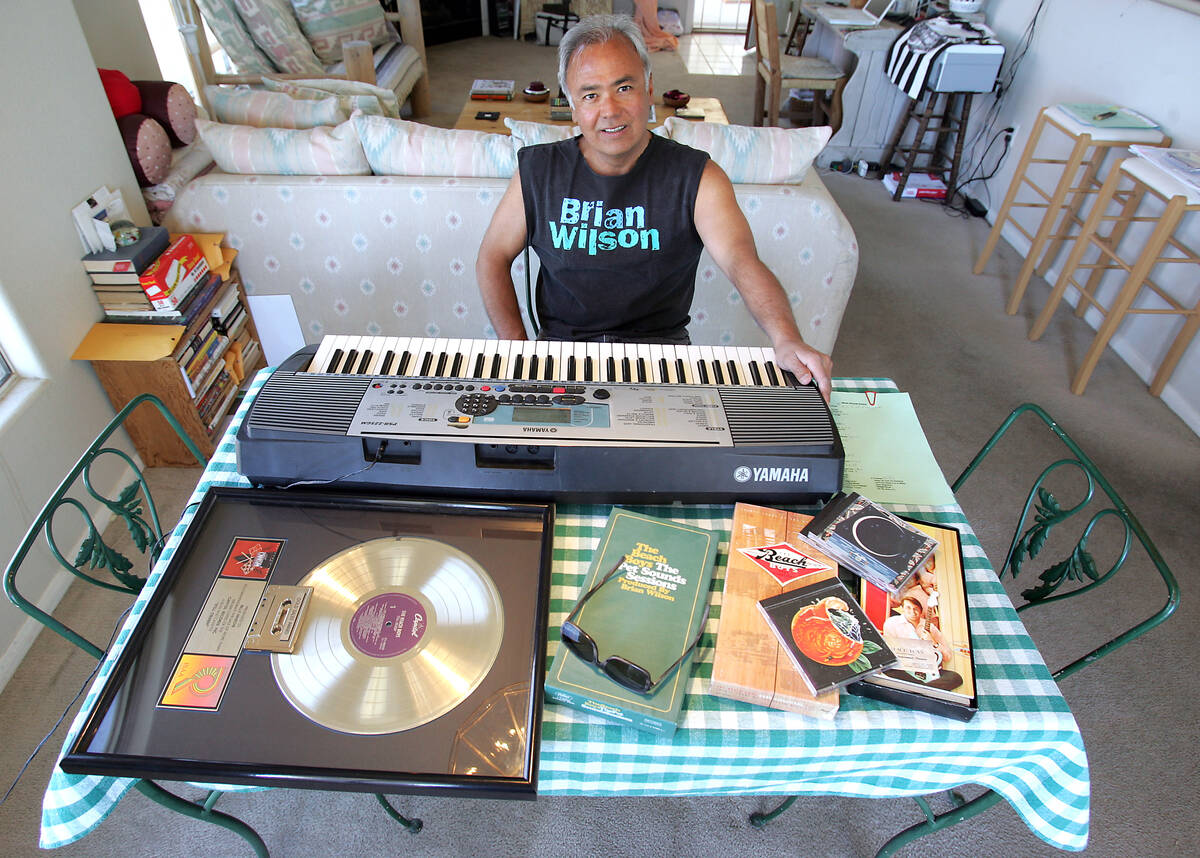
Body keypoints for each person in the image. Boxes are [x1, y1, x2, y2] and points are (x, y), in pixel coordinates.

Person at [475, 14, 833, 399]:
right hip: (561, 350)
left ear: (648, 88)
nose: (609, 110)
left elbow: (742, 262)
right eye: (590, 95)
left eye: (624, 87)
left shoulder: (698, 176)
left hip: (661, 355)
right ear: (572, 105)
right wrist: (518, 350)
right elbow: (492, 257)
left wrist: (787, 338)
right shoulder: (538, 171)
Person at [881, 595, 963, 691]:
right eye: (908, 608)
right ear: (902, 608)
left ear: (921, 610)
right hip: (905, 668)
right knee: (889, 670)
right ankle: (925, 690)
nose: (912, 612)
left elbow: (947, 656)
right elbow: (889, 650)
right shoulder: (892, 623)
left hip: (929, 670)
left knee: (956, 677)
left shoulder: (930, 627)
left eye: (916, 609)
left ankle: (918, 690)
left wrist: (933, 641)